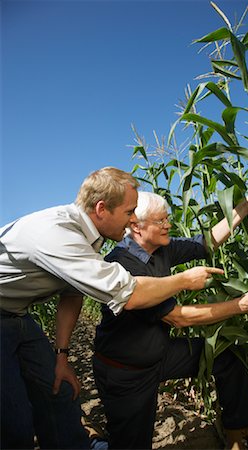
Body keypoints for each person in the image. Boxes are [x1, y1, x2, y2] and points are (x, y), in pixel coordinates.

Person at [0, 168, 222, 450]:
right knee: (13, 423)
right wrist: (183, 280)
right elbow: (129, 294)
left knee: (56, 392)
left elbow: (72, 293)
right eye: (130, 212)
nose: (133, 221)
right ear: (102, 209)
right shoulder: (57, 235)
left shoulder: (88, 238)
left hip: (17, 315)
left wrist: (62, 357)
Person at [93, 191, 248, 450]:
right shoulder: (120, 265)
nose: (168, 224)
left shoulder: (162, 248)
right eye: (161, 220)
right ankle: (93, 440)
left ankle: (236, 439)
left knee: (226, 357)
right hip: (125, 370)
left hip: (160, 354)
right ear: (136, 226)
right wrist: (243, 304)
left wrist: (244, 206)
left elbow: (207, 243)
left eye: (167, 218)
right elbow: (177, 318)